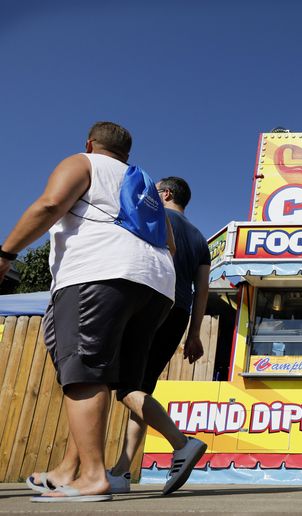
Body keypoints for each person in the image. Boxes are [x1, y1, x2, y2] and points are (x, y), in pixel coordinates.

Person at [1, 122, 175, 502]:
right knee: (106, 377)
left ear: (90, 143)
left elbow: (49, 204)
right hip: (157, 285)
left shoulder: (83, 163)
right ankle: (70, 470)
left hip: (98, 274)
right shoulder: (144, 182)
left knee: (82, 373)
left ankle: (93, 477)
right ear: (126, 152)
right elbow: (170, 244)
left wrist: (6, 253)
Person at [106, 177, 210, 495]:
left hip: (149, 303)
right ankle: (122, 472)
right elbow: (201, 290)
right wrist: (194, 334)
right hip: (179, 314)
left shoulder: (154, 216)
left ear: (163, 194)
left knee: (124, 387)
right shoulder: (200, 239)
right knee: (141, 390)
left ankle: (181, 443)